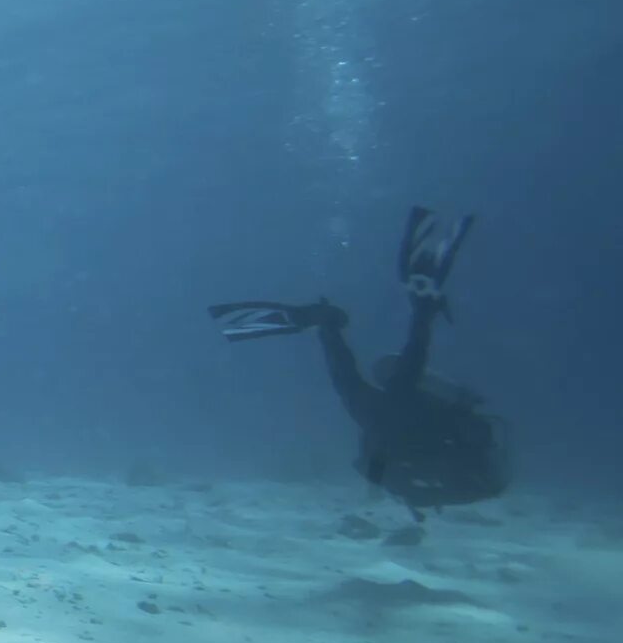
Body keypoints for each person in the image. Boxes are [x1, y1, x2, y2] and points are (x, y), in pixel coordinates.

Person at [209, 208, 509, 517]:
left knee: (367, 380)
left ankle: (339, 323)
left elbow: (386, 463)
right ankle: (354, 321)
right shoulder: (465, 473)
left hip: (393, 432)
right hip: (399, 431)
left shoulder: (459, 472)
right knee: (363, 381)